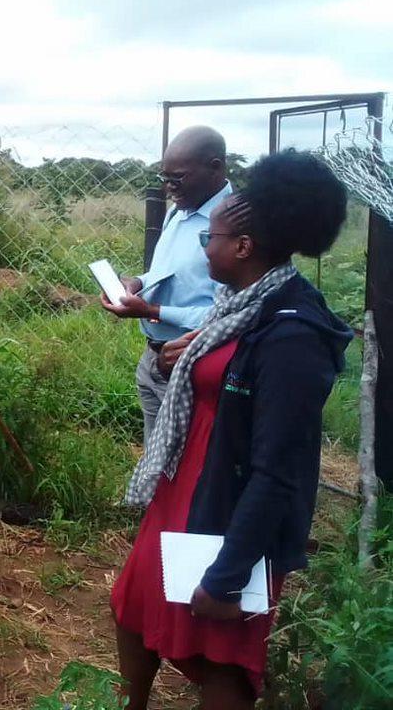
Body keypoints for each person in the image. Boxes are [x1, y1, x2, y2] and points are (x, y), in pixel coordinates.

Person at [110, 150, 353, 709]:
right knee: (133, 606)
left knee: (221, 653)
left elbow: (279, 469)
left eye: (208, 240)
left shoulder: (294, 336)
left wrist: (228, 575)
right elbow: (227, 364)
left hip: (234, 502)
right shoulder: (238, 305)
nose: (204, 248)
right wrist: (190, 359)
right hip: (186, 483)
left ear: (242, 249)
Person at [102, 126, 233, 450]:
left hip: (193, 361)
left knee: (190, 460)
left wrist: (152, 311)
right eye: (165, 177)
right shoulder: (180, 211)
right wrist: (137, 283)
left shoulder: (235, 224)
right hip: (154, 356)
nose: (169, 187)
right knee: (155, 453)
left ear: (215, 167)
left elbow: (230, 313)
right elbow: (168, 272)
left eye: (178, 178)